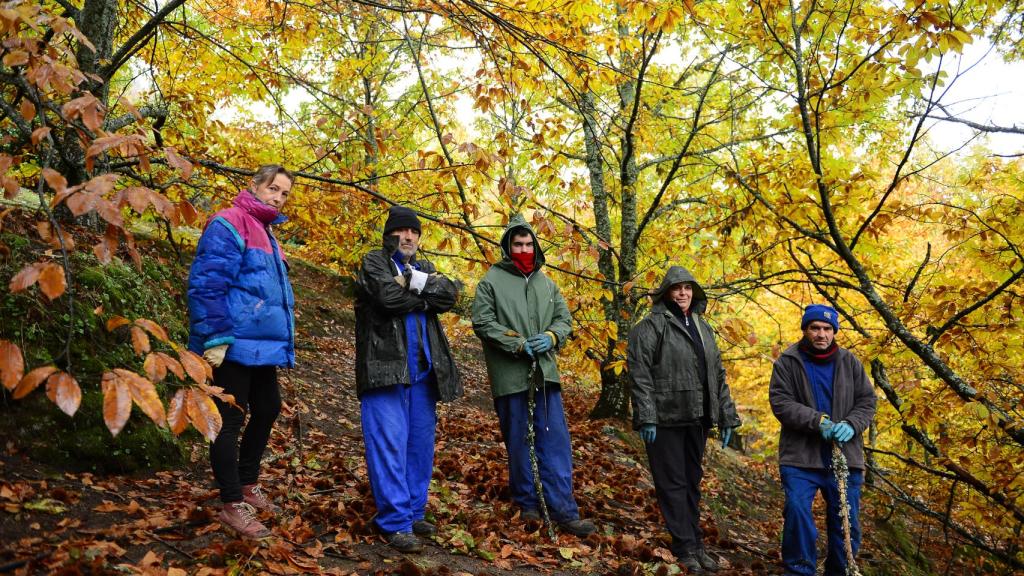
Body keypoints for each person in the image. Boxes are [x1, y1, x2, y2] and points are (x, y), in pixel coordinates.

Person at [187, 165, 296, 539]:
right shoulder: (229, 222)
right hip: (231, 344)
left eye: (284, 194)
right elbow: (207, 284)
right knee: (229, 421)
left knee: (267, 408)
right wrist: (215, 337)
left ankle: (248, 484)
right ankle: (232, 503)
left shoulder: (268, 233)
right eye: (273, 189)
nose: (278, 198)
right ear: (255, 186)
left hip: (260, 346)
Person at [471, 214, 596, 538]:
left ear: (535, 246)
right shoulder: (491, 281)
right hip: (511, 378)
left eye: (528, 244)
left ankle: (564, 511)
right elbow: (483, 323)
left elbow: (564, 320)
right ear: (508, 246)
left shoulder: (547, 283)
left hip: (545, 376)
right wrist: (517, 343)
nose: (524, 249)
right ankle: (528, 505)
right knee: (520, 442)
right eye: (518, 244)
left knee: (555, 443)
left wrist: (552, 337)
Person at [355, 205, 462, 553]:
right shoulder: (374, 262)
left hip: (423, 374)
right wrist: (423, 298)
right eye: (401, 231)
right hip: (385, 370)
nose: (408, 236)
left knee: (419, 448)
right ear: (390, 235)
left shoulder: (424, 268)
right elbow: (386, 298)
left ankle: (414, 513)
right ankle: (395, 522)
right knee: (388, 445)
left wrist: (415, 284)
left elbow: (449, 295)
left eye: (413, 232)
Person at [627, 266, 741, 573]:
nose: (682, 293)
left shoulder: (703, 328)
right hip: (665, 418)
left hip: (698, 417)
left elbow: (717, 374)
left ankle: (695, 542)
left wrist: (727, 416)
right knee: (672, 483)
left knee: (692, 482)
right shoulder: (650, 327)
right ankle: (684, 546)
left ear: (695, 292)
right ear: (666, 292)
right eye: (676, 288)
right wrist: (647, 417)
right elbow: (640, 375)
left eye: (688, 288)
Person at [769, 304, 876, 576]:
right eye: (815, 328)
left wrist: (852, 424)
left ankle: (840, 570)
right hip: (800, 457)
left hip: (845, 457)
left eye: (827, 328)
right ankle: (799, 570)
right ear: (805, 329)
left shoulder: (849, 362)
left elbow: (867, 401)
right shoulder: (788, 361)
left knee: (846, 521)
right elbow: (781, 402)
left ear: (834, 331)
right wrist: (818, 422)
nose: (821, 334)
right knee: (797, 512)